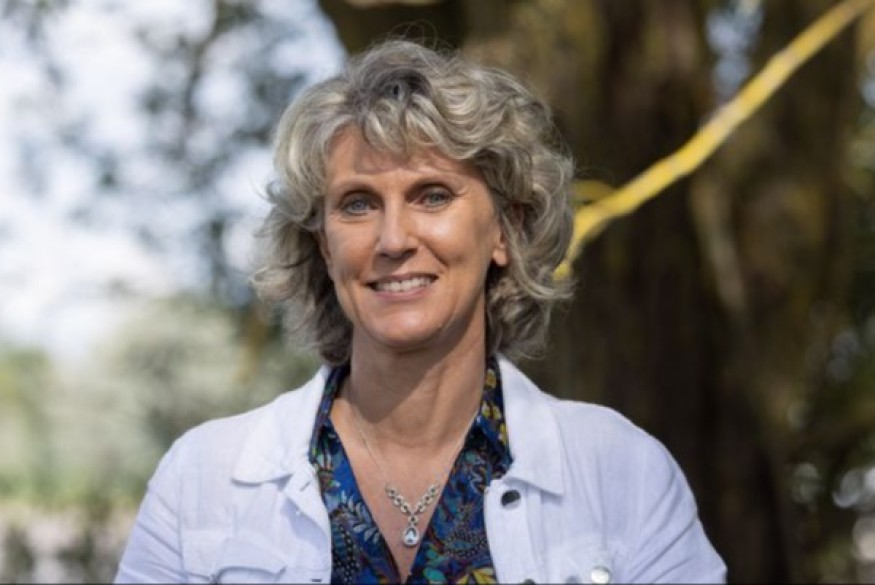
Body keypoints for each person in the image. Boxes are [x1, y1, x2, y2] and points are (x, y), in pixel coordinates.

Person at [115, 39, 726, 584]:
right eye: (357, 204)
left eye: (432, 196)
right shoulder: (204, 480)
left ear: (505, 229)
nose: (393, 239)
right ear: (323, 245)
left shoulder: (622, 474)